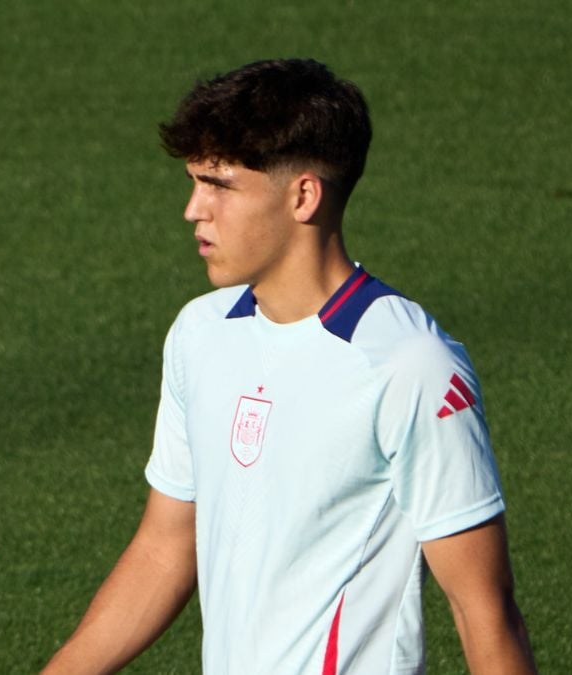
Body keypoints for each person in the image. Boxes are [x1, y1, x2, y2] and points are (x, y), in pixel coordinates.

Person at [42, 58, 536, 675]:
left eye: (218, 185)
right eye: (195, 182)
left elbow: (483, 610)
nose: (193, 210)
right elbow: (165, 550)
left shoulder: (410, 367)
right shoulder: (201, 334)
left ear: (303, 195)